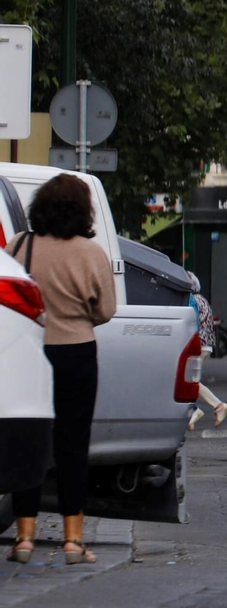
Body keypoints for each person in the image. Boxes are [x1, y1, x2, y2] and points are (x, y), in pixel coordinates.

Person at [4, 175, 116, 565]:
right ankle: (72, 540)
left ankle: (24, 537)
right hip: (77, 354)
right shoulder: (91, 253)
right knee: (73, 444)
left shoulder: (20, 245)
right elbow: (106, 311)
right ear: (82, 211)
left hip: (28, 352)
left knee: (28, 444)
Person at [185, 272, 227, 431]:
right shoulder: (202, 300)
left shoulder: (191, 300)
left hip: (197, 344)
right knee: (189, 380)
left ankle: (216, 406)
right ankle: (192, 411)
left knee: (188, 381)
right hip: (205, 344)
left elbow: (191, 324)